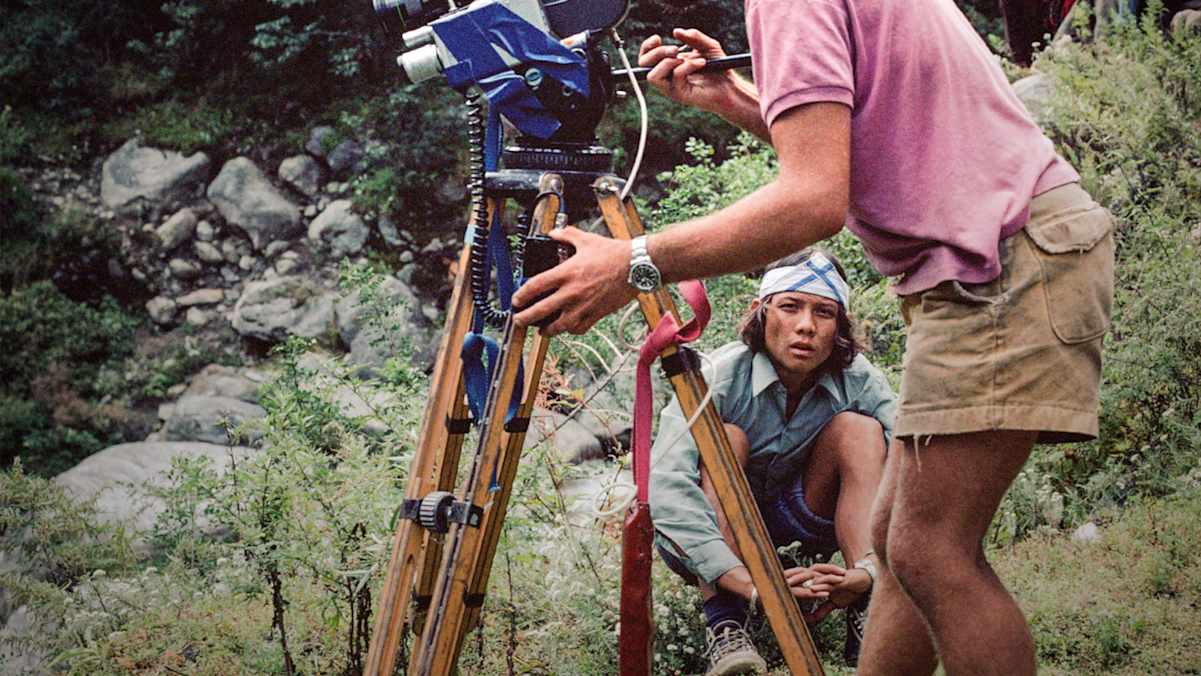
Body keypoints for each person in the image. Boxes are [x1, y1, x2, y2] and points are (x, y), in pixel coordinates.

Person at [511, 0, 1115, 673]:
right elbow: (873, 145)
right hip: (998, 255)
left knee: (930, 552)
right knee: (894, 545)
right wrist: (739, 100)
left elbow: (812, 202)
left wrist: (635, 263)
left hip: (1001, 260)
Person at [649, 248, 895, 674]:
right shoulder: (719, 376)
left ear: (839, 327)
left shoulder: (858, 377)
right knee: (726, 437)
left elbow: (914, 460)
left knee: (860, 430)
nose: (805, 326)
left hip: (803, 523)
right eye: (790, 307)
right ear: (760, 313)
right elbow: (667, 488)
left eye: (823, 312)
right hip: (722, 537)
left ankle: (865, 599)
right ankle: (725, 622)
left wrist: (878, 569)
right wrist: (746, 581)